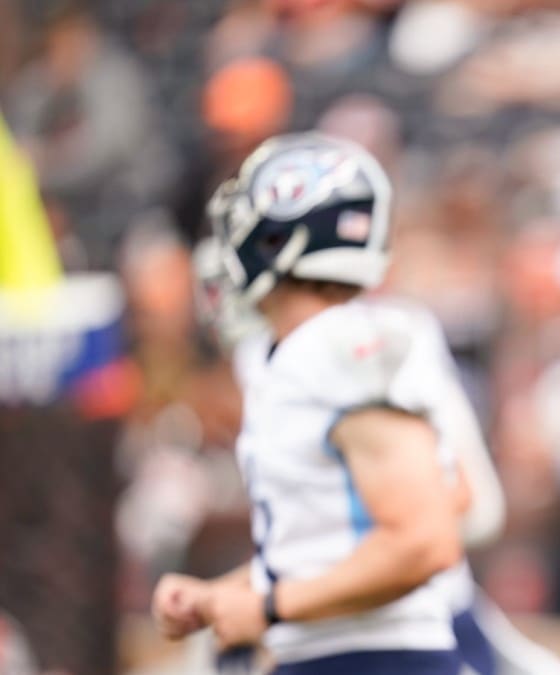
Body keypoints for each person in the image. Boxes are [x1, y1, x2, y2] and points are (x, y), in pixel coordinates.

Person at [151, 133, 465, 674]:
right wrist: (222, 596)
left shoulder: (338, 347)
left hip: (375, 659)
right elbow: (328, 546)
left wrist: (270, 607)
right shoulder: (297, 354)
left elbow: (426, 541)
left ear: (280, 237)